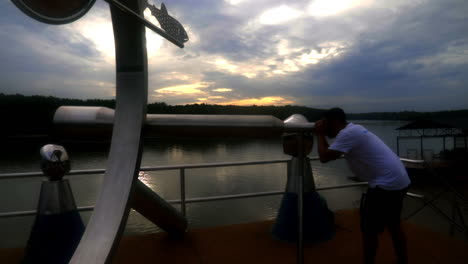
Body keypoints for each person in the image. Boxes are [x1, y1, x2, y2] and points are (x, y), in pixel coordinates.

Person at [315, 108, 410, 264]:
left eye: (326, 124)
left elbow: (324, 157)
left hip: (385, 184)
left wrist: (319, 134)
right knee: (393, 225)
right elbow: (329, 152)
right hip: (400, 179)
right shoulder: (355, 129)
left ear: (334, 122)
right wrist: (322, 134)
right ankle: (402, 260)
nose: (325, 129)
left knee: (368, 229)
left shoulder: (348, 134)